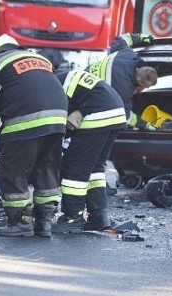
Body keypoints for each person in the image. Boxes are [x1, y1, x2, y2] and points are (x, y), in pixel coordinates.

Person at [0, 34, 68, 238]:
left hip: (26, 120)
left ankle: (19, 222)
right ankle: (44, 222)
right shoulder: (40, 59)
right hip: (57, 120)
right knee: (46, 167)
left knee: (13, 170)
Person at [52, 69, 127, 233]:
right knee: (95, 168)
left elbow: (55, 118)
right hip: (117, 112)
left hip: (98, 114)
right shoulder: (63, 76)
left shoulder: (51, 83)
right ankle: (99, 217)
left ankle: (72, 218)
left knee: (75, 168)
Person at [87, 33, 158, 130]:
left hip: (85, 73)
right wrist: (146, 125)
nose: (144, 89)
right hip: (87, 96)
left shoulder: (127, 54)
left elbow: (121, 39)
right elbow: (126, 117)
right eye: (146, 86)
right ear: (139, 81)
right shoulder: (124, 91)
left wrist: (140, 37)